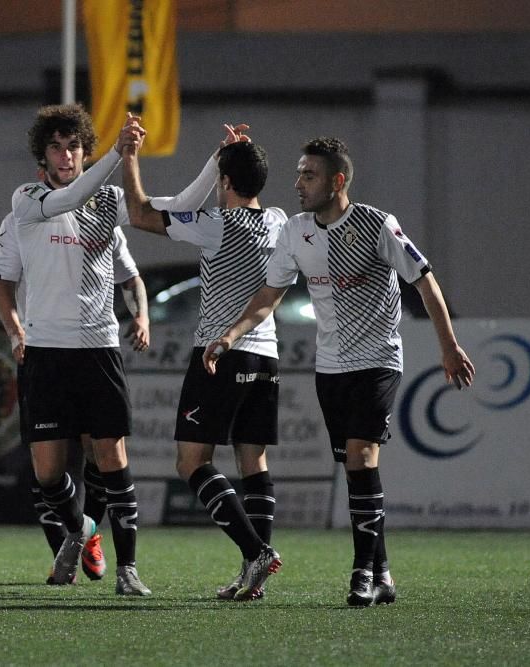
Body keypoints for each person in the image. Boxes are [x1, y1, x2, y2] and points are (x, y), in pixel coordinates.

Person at [203, 136, 475, 606]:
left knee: (361, 457)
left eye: (309, 175)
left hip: (378, 359)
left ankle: (361, 574)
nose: (299, 183)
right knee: (356, 470)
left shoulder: (375, 225)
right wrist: (230, 334)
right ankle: (384, 571)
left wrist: (448, 347)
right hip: (330, 367)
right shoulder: (296, 232)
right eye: (299, 173)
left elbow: (424, 280)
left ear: (338, 180)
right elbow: (269, 295)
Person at [121, 120, 284, 601]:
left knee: (192, 461)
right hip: (266, 353)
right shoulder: (276, 220)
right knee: (253, 460)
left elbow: (140, 213)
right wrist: (226, 157)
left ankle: (256, 553)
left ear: (226, 183)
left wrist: (129, 158)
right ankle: (254, 573)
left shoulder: (216, 226)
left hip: (220, 353)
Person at [0, 103, 151, 595]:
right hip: (44, 351)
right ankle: (83, 531)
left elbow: (151, 224)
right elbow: (3, 283)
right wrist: (16, 329)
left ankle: (127, 570)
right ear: (42, 155)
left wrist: (141, 313)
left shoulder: (107, 203)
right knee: (47, 473)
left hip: (97, 347)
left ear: (84, 151)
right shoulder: (26, 200)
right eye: (57, 147)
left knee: (110, 454)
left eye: (74, 147)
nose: (66, 155)